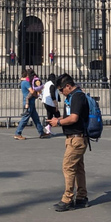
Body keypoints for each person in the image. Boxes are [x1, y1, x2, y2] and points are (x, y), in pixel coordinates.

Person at [47, 73, 90, 212]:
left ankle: (67, 198)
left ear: (68, 86)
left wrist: (58, 121)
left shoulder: (77, 96)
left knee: (68, 167)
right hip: (75, 137)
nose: (61, 92)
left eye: (61, 89)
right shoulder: (74, 96)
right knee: (78, 168)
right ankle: (82, 197)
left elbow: (74, 118)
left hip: (76, 138)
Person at [14, 69, 48, 140]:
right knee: (25, 118)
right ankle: (18, 133)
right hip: (28, 102)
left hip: (31, 102)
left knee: (36, 118)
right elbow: (32, 91)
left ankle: (41, 132)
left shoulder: (25, 81)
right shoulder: (25, 83)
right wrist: (36, 90)